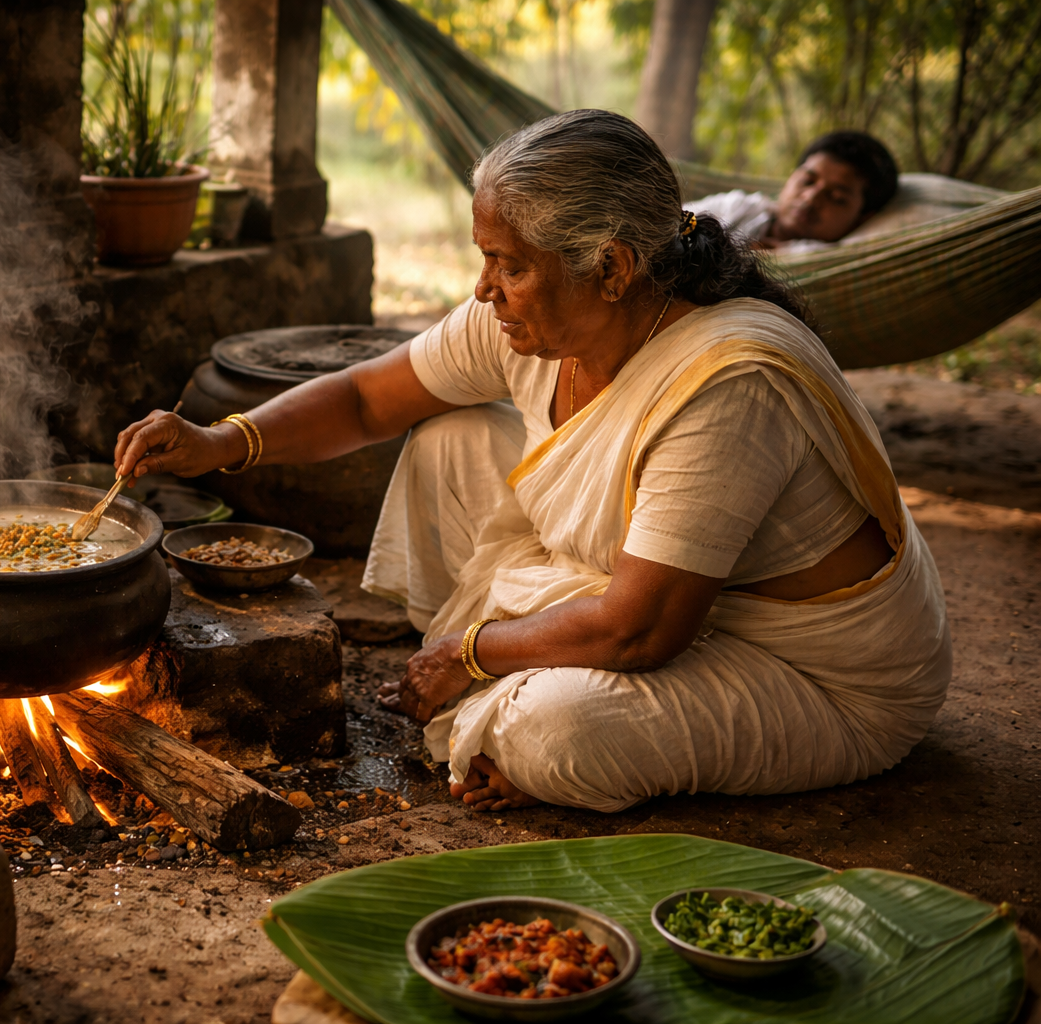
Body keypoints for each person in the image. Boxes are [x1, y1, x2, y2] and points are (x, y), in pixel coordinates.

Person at [112, 110, 949, 815]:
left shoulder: (728, 382)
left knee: (555, 731)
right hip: (662, 596)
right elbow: (370, 400)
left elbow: (641, 628)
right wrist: (219, 440)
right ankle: (498, 669)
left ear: (612, 268)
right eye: (487, 258)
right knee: (447, 436)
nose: (484, 288)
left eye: (507, 264)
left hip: (812, 676)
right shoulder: (530, 317)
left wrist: (465, 653)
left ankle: (493, 686)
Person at [690, 131, 900, 253]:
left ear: (862, 218)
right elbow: (668, 226)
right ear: (791, 177)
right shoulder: (739, 207)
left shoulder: (825, 260)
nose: (810, 198)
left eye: (837, 198)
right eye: (807, 181)